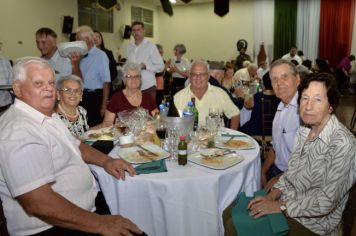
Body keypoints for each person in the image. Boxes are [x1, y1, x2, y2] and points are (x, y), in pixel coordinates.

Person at [0, 57, 142, 236]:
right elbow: (38, 203)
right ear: (17, 88)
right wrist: (101, 224)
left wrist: (107, 161)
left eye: (51, 82)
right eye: (38, 83)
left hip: (81, 211)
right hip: (50, 226)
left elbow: (76, 145)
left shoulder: (48, 116)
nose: (48, 88)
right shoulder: (18, 130)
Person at [224, 72, 356, 236]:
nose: (308, 106)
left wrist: (278, 206)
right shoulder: (304, 131)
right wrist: (271, 196)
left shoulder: (343, 144)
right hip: (287, 202)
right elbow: (291, 174)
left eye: (317, 99)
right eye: (305, 98)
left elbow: (325, 202)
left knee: (233, 227)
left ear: (331, 106)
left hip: (314, 224)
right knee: (228, 212)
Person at [262, 59, 301, 191]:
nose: (279, 83)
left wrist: (279, 179)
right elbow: (276, 147)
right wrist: (262, 171)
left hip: (295, 179)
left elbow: (310, 163)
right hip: (276, 169)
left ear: (298, 79)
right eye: (274, 79)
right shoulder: (280, 106)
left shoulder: (304, 111)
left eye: (285, 77)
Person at [174, 60, 240, 130]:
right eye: (194, 74)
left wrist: (231, 135)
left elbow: (235, 114)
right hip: (190, 140)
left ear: (208, 76)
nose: (198, 77)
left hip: (216, 139)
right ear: (190, 76)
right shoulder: (178, 97)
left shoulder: (220, 93)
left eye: (202, 74)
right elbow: (173, 124)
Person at [71, 25, 111, 127]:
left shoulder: (101, 55)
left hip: (95, 98)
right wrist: (75, 63)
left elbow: (106, 82)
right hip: (81, 96)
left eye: (78, 39)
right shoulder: (78, 56)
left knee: (95, 129)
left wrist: (104, 105)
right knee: (82, 127)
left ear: (88, 39)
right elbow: (77, 80)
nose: (76, 42)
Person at [100, 62, 157, 127]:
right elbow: (107, 123)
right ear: (124, 80)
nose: (133, 79)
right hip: (123, 136)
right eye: (129, 76)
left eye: (136, 76)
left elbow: (157, 119)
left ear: (140, 79)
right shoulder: (116, 98)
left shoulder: (147, 97)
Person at [126, 21, 164, 104]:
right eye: (134, 30)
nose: (136, 32)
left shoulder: (151, 46)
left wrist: (146, 67)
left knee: (148, 115)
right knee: (134, 115)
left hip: (147, 87)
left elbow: (161, 66)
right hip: (132, 87)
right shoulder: (129, 47)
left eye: (138, 30)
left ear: (143, 31)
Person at [93, 30, 118, 97]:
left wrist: (105, 80)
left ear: (101, 39)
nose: (95, 39)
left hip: (107, 86)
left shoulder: (108, 53)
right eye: (93, 37)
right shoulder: (86, 55)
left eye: (98, 37)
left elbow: (114, 71)